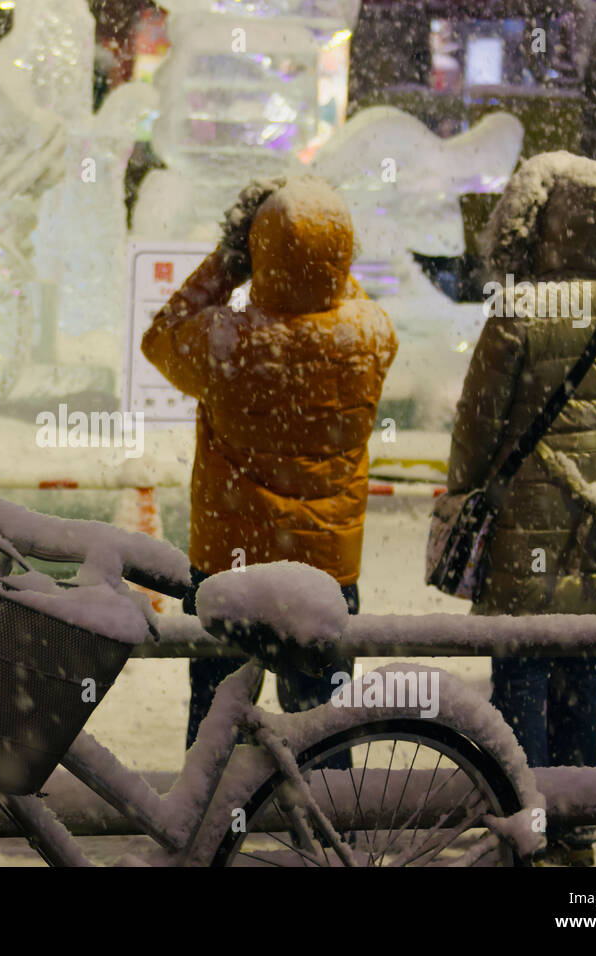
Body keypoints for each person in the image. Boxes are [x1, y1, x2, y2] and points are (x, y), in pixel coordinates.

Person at [447, 152, 596, 866]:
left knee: (521, 665)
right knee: (582, 665)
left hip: (523, 527)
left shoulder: (520, 309)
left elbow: (478, 424)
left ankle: (523, 820)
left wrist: (466, 486)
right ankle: (579, 825)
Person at [141, 175, 397, 750]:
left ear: (258, 252)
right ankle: (322, 833)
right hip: (325, 571)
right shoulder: (370, 334)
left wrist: (229, 264)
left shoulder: (225, 341)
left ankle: (208, 832)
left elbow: (160, 336)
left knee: (216, 726)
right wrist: (316, 262)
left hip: (233, 567)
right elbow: (329, 288)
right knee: (323, 733)